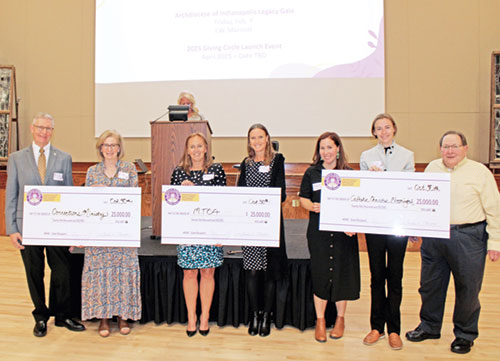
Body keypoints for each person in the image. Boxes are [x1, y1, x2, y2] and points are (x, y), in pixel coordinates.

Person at [405, 131, 500, 354]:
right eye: (446, 147)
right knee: (430, 286)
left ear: (465, 149)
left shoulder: (480, 172)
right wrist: (415, 227)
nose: (450, 151)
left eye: (455, 146)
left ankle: (465, 334)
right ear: (440, 150)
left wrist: (495, 240)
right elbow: (422, 202)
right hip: (434, 236)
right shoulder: (432, 168)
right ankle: (429, 326)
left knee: (468, 288)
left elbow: (494, 209)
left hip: (468, 237)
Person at [5, 112, 85, 337]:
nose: (44, 132)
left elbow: (69, 196)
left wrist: (71, 230)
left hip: (56, 227)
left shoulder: (64, 158)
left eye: (48, 128)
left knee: (61, 272)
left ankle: (62, 315)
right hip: (27, 228)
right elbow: (11, 195)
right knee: (34, 272)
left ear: (53, 131)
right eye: (40, 127)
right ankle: (40, 316)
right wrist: (12, 229)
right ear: (32, 128)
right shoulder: (17, 158)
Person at [359, 113, 415, 350]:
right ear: (373, 132)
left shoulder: (407, 155)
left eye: (387, 127)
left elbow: (409, 189)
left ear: (394, 129)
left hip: (397, 223)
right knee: (376, 275)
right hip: (375, 223)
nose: (383, 131)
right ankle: (376, 327)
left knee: (395, 276)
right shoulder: (366, 156)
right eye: (378, 128)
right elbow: (362, 189)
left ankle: (394, 329)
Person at [299, 132, 360, 343]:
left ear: (338, 149)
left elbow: (355, 203)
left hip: (344, 233)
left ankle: (340, 319)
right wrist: (312, 206)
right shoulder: (312, 173)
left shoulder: (349, 174)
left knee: (342, 274)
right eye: (322, 148)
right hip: (318, 233)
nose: (326, 152)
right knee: (321, 274)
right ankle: (321, 320)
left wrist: (352, 224)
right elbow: (303, 199)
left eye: (330, 147)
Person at [81, 130, 141, 337]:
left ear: (119, 148)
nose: (109, 149)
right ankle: (103, 318)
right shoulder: (92, 172)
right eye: (105, 145)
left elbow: (134, 199)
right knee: (101, 273)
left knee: (123, 272)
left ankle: (124, 316)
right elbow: (86, 205)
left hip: (123, 232)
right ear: (100, 148)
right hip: (98, 234)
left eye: (113, 145)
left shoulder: (130, 169)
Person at [170, 133, 226, 337]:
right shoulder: (178, 173)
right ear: (187, 150)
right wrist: (182, 192)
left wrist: (222, 234)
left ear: (205, 149)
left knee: (208, 272)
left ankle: (205, 316)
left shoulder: (216, 169)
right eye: (191, 146)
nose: (195, 150)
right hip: (187, 231)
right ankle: (191, 316)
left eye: (199, 146)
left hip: (211, 230)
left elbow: (222, 202)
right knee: (189, 272)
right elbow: (172, 204)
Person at [237, 123, 288, 337]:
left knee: (268, 272)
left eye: (260, 137)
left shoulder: (277, 160)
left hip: (269, 225)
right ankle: (255, 315)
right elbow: (240, 194)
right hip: (250, 225)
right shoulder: (246, 163)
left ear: (267, 138)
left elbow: (281, 193)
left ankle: (267, 316)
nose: (256, 141)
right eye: (253, 138)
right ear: (249, 142)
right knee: (251, 271)